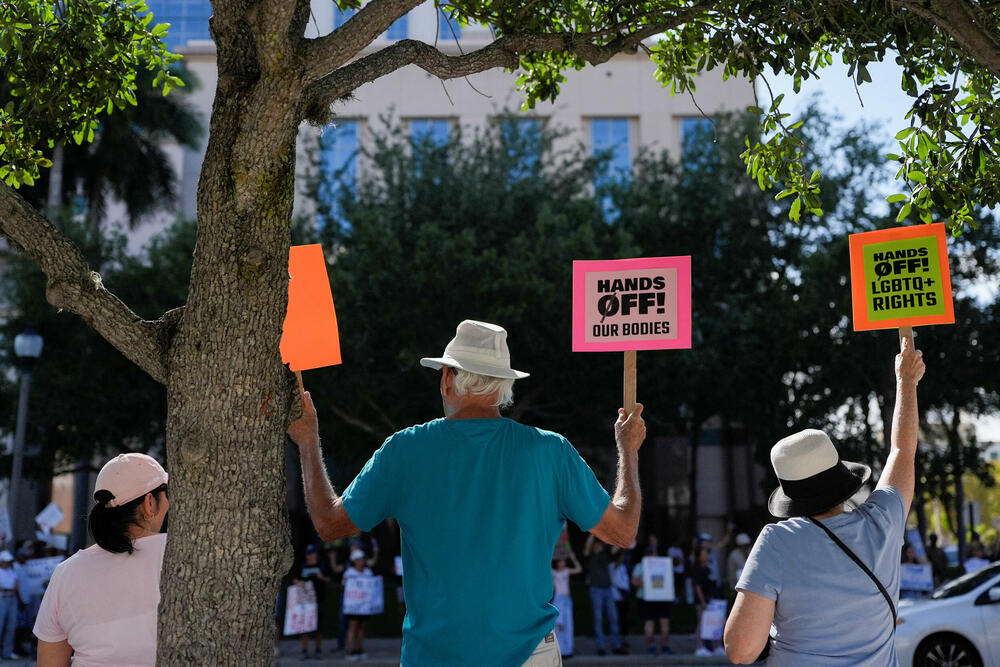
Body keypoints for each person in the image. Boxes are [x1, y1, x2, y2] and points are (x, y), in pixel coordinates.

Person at [288, 319, 647, 666]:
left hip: (432, 657)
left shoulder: (404, 450)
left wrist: (307, 440)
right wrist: (628, 450)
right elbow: (623, 530)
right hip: (529, 655)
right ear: (505, 387)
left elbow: (330, 524)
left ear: (447, 378)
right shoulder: (550, 452)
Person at [724, 336, 925, 665]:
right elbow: (902, 451)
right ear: (840, 477)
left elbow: (741, 650)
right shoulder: (883, 521)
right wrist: (906, 380)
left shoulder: (777, 542)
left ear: (791, 494)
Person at [33, 453, 169, 666]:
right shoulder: (180, 555)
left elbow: (50, 662)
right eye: (166, 493)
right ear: (149, 503)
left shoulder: (66, 572)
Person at [583, 534, 625, 656]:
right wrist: (593, 532)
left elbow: (616, 547)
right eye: (595, 545)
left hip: (608, 590)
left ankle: (616, 646)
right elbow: (587, 546)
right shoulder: (589, 556)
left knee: (614, 618)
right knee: (598, 619)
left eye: (599, 544)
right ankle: (600, 647)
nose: (598, 546)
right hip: (595, 591)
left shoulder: (606, 555)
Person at [631, 546, 673, 655]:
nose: (651, 556)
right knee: (649, 623)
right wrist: (646, 584)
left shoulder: (663, 564)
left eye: (652, 553)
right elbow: (634, 581)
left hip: (663, 597)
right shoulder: (640, 566)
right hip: (646, 598)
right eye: (648, 553)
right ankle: (651, 646)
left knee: (665, 622)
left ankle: (665, 645)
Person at [296, 543, 333, 660]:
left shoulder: (322, 566)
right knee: (304, 627)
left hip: (319, 600)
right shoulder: (302, 566)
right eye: (308, 554)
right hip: (305, 602)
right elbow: (295, 579)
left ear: (316, 554)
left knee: (318, 628)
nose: (310, 556)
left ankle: (318, 650)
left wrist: (322, 577)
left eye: (312, 553)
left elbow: (329, 579)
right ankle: (304, 650)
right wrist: (298, 582)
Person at [342, 549, 373, 662]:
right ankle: (351, 650)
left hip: (364, 606)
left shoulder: (368, 572)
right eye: (358, 559)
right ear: (354, 561)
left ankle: (359, 649)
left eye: (362, 559)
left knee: (361, 627)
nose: (361, 561)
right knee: (352, 627)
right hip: (353, 606)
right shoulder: (349, 572)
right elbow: (345, 587)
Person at [550, 553, 582, 658]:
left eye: (563, 560)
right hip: (558, 600)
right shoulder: (554, 572)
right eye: (560, 560)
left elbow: (579, 569)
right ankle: (560, 650)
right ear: (557, 562)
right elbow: (546, 567)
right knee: (559, 625)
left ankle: (568, 650)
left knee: (568, 625)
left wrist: (573, 557)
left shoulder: (566, 571)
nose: (563, 562)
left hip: (567, 600)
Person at [0, 551, 22, 660]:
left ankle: (7, 652)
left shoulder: (12, 570)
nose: (8, 563)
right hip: (2, 599)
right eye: (6, 561)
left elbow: (16, 585)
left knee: (11, 627)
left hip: (12, 599)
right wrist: (10, 589)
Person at [610, 549, 632, 652]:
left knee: (624, 619)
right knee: (617, 619)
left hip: (625, 596)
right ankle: (617, 641)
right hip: (616, 597)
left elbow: (625, 581)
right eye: (621, 557)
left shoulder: (623, 567)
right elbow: (613, 579)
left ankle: (624, 639)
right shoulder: (611, 566)